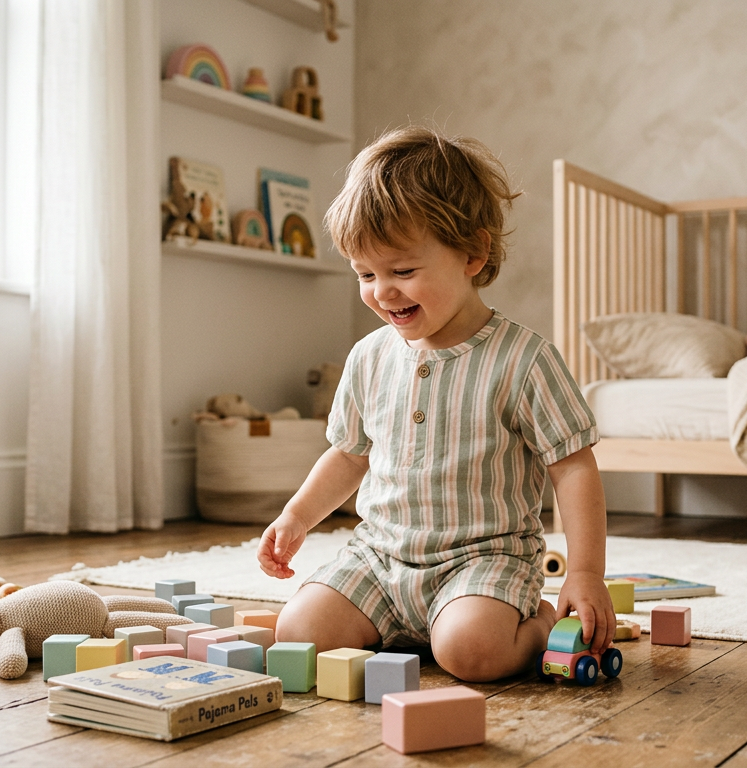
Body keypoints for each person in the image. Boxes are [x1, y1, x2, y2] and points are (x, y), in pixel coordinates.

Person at [256, 126, 614, 682]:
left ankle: (536, 624)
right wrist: (296, 516)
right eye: (365, 274)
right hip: (380, 558)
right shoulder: (369, 358)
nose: (382, 291)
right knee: (300, 633)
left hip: (482, 561)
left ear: (473, 253)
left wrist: (586, 573)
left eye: (402, 271)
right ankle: (404, 626)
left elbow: (573, 468)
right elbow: (350, 455)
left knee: (473, 654)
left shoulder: (524, 359)